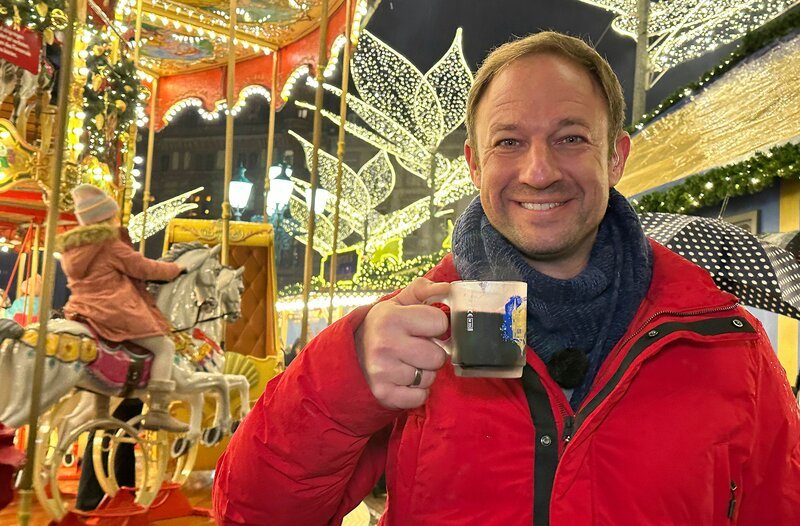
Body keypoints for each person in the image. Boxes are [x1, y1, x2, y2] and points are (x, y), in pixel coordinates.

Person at [213, 32, 800, 525]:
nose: (539, 171)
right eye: (509, 142)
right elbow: (249, 511)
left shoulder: (726, 344)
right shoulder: (408, 333)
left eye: (570, 138)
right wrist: (342, 379)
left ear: (616, 156)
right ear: (474, 162)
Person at [56, 184, 190, 433]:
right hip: (113, 310)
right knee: (165, 347)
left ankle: (100, 411)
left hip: (81, 310)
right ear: (105, 217)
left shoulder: (72, 248)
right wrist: (176, 269)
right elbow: (142, 268)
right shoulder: (108, 244)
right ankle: (159, 410)